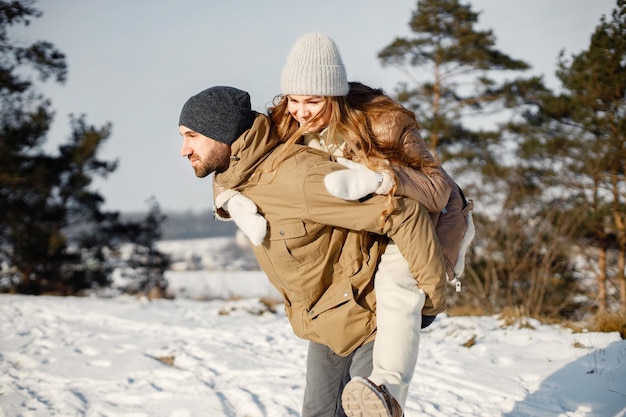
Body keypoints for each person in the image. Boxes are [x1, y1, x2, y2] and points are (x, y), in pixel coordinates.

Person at [214, 33, 472, 416]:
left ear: (334, 94)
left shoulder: (384, 122)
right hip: (363, 236)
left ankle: (384, 389)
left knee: (395, 287)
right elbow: (237, 157)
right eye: (294, 100)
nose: (301, 111)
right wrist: (227, 197)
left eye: (313, 101)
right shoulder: (285, 120)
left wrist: (384, 177)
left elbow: (438, 190)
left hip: (426, 222)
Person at [179, 85, 447, 417]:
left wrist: (431, 297)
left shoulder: (299, 177)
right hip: (327, 322)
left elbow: (402, 212)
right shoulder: (242, 175)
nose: (183, 149)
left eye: (192, 136)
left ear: (223, 134)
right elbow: (228, 171)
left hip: (371, 314)